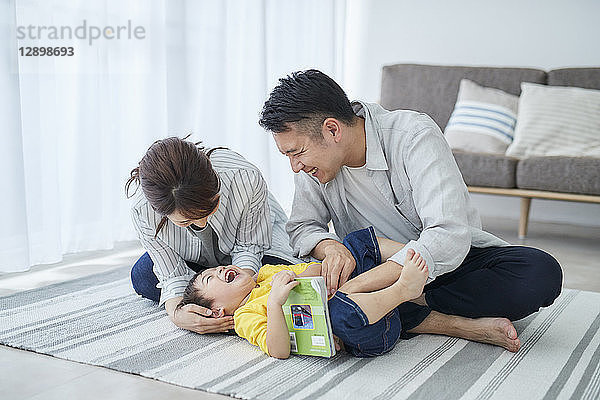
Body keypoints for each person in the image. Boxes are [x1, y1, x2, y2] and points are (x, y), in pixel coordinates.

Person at [257, 69, 563, 349]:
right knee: (341, 320)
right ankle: (452, 324)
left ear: (332, 130)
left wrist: (359, 288)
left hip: (442, 266)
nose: (295, 166)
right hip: (376, 271)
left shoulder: (413, 135)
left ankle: (401, 308)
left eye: (296, 153)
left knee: (539, 273)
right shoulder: (314, 168)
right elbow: (301, 228)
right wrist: (330, 248)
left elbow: (448, 235)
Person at [126, 137, 302, 334]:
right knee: (143, 275)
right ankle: (230, 303)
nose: (202, 223)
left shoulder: (244, 177)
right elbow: (171, 276)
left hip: (257, 249)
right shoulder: (143, 210)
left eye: (210, 208)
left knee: (288, 275)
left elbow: (249, 248)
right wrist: (178, 315)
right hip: (203, 270)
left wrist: (240, 293)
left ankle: (240, 307)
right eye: (186, 222)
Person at [178, 227, 436, 358]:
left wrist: (298, 277)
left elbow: (318, 269)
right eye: (210, 278)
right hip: (366, 329)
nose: (220, 268)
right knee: (340, 311)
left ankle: (418, 251)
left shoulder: (267, 272)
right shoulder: (246, 315)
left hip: (367, 292)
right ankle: (404, 289)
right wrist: (276, 303)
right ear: (218, 311)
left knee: (353, 243)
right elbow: (278, 349)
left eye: (219, 267)